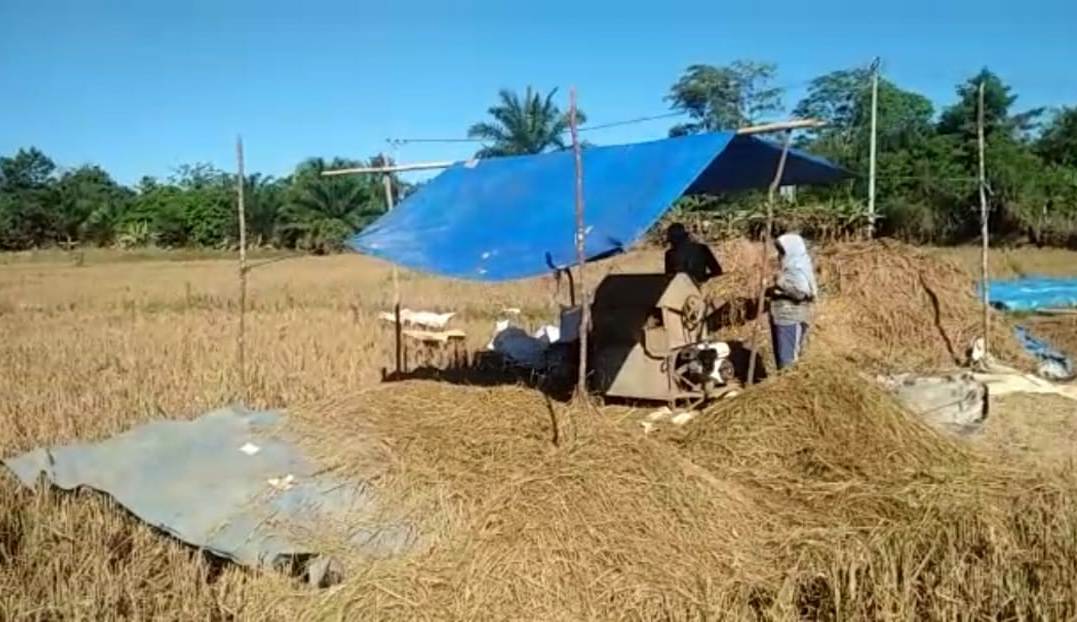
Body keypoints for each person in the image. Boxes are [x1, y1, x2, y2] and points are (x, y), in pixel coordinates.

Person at [767, 232, 817, 370]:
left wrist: (780, 282)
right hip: (782, 317)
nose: (780, 255)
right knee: (783, 358)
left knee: (789, 361)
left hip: (791, 317)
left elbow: (800, 292)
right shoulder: (790, 266)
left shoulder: (797, 267)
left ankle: (790, 389)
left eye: (782, 251)